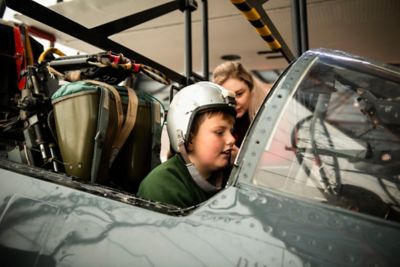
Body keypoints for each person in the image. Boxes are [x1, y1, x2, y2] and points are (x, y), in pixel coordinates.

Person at [137, 81, 236, 208]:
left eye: (231, 131)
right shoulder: (163, 186)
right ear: (188, 139)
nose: (231, 139)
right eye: (219, 132)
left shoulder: (228, 177)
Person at [212, 61, 271, 147]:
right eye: (228, 96)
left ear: (251, 90)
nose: (235, 102)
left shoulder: (268, 116)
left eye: (239, 94)